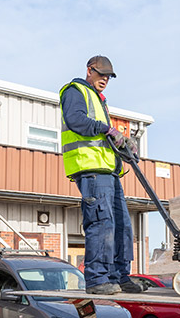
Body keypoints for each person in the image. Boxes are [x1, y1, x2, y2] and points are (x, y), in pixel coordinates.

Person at [60, 55, 144, 295]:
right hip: (91, 171)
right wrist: (107, 129)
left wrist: (123, 142)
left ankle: (120, 276)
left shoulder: (99, 100)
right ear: (89, 70)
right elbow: (76, 121)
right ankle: (97, 279)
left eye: (108, 77)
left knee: (122, 225)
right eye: (101, 74)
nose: (105, 79)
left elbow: (103, 137)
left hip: (109, 172)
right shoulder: (75, 91)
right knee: (101, 222)